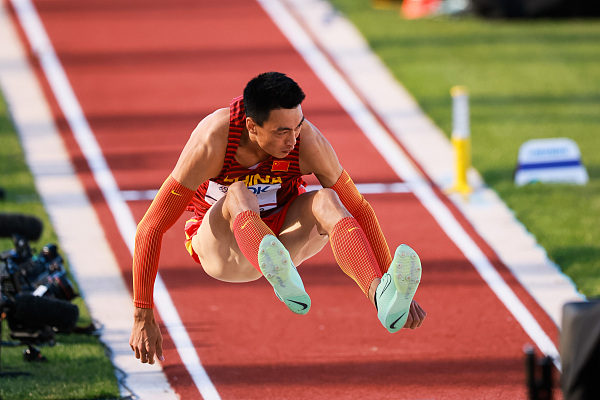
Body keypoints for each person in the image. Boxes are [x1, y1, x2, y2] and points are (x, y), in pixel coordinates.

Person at [129, 72, 426, 364]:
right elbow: (151, 226)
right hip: (223, 249)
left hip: (283, 241)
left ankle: (380, 294)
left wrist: (389, 277)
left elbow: (358, 209)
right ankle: (273, 264)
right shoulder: (212, 142)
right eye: (281, 132)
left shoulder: (307, 142)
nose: (293, 140)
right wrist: (143, 314)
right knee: (238, 193)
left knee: (329, 200)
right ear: (252, 127)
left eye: (296, 126)